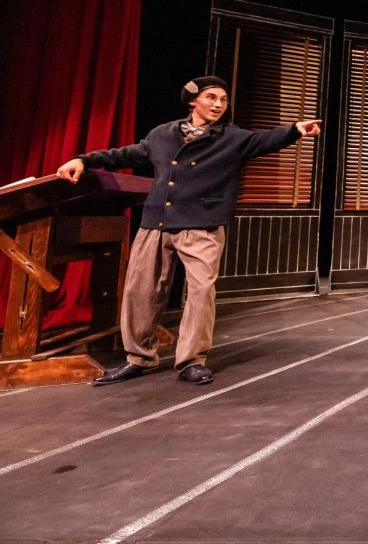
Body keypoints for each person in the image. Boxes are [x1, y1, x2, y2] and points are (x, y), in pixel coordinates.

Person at [56, 76, 321, 386]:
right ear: (193, 101)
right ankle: (138, 357)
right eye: (212, 97)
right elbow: (125, 155)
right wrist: (83, 160)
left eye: (223, 99)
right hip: (156, 222)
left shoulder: (232, 138)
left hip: (202, 223)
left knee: (200, 292)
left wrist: (294, 131)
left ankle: (191, 360)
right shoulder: (162, 134)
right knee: (141, 291)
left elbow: (265, 140)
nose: (219, 104)